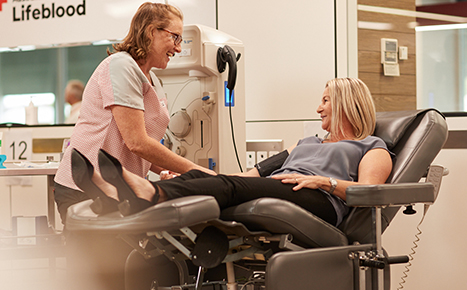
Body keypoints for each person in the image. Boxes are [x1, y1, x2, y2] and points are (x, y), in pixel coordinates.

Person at [72, 77, 394, 227]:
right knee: (215, 179)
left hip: (320, 201)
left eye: (325, 100)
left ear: (347, 105)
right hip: (284, 187)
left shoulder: (371, 147)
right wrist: (194, 177)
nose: (318, 107)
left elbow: (369, 193)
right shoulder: (305, 143)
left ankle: (150, 192)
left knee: (228, 187)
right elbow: (246, 177)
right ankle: (117, 196)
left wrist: (323, 182)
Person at [54, 2, 215, 225]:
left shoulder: (153, 80)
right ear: (151, 32)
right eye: (175, 37)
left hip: (120, 189)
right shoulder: (121, 66)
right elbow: (137, 143)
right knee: (102, 260)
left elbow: (144, 145)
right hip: (86, 186)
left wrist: (166, 170)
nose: (178, 48)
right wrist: (197, 171)